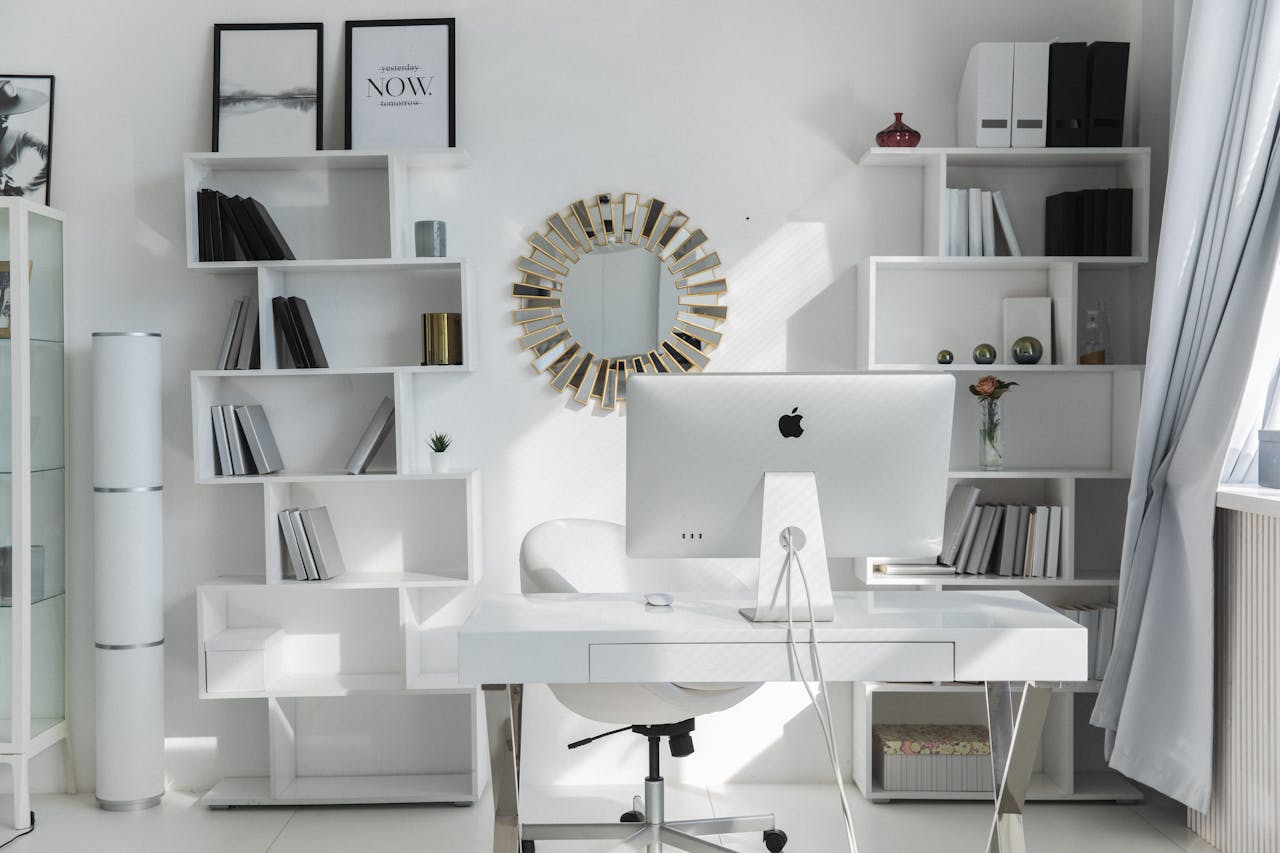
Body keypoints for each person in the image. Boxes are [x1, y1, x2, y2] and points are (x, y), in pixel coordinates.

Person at [0, 79, 50, 200]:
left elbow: (50, 155)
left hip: (8, 203)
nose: (5, 114)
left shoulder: (20, 136)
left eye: (8, 109)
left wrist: (28, 188)